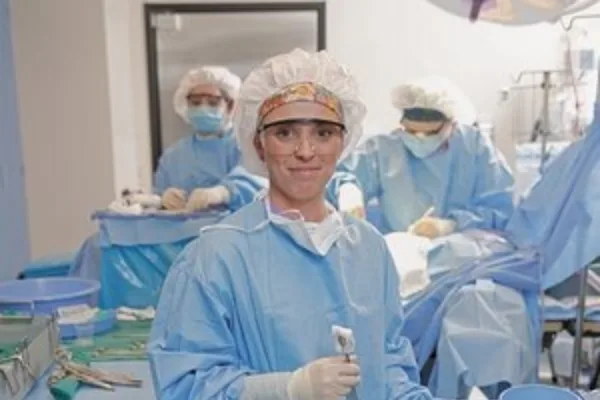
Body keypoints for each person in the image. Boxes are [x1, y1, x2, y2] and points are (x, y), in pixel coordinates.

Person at [147, 49, 436, 400]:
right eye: (285, 133)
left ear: (343, 143)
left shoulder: (369, 248)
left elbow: (389, 363)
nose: (305, 151)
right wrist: (287, 388)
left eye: (323, 133)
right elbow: (185, 386)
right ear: (259, 145)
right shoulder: (215, 257)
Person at [339, 76, 514, 237]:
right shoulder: (384, 149)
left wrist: (451, 225)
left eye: (430, 133)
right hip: (402, 250)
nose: (419, 139)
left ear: (452, 125)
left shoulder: (475, 148)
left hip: (464, 252)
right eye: (411, 131)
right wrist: (349, 192)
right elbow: (342, 175)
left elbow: (502, 209)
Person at [154, 65, 242, 210]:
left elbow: (259, 186)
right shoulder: (173, 156)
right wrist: (163, 199)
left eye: (213, 103)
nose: (203, 109)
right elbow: (157, 197)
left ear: (231, 106)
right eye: (195, 103)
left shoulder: (244, 146)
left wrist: (224, 193)